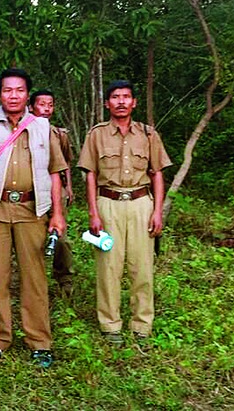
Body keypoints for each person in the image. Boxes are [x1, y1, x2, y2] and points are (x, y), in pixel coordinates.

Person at [0, 68, 67, 368]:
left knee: (34, 278)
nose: (13, 95)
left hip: (32, 211)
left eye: (19, 90)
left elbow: (55, 172)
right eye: (7, 90)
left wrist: (57, 213)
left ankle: (39, 341)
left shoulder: (43, 127)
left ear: (27, 95)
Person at [78, 80, 170, 345]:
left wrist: (157, 212)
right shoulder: (96, 135)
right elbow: (90, 174)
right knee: (109, 267)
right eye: (115, 97)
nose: (121, 101)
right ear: (107, 103)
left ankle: (142, 325)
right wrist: (93, 213)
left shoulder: (148, 134)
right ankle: (110, 325)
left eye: (126, 96)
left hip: (141, 204)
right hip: (108, 203)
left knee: (142, 267)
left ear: (134, 102)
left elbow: (157, 173)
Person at [29, 89, 77, 295]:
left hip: (56, 191)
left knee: (61, 239)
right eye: (42, 104)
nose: (46, 109)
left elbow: (65, 163)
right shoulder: (24, 131)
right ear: (31, 107)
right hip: (32, 192)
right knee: (33, 239)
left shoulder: (59, 134)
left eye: (50, 105)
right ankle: (34, 281)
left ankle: (65, 278)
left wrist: (69, 187)